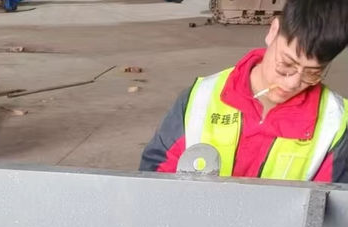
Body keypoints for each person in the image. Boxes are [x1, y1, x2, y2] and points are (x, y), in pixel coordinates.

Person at [140, 0, 348, 182]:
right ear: (273, 31)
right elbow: (156, 177)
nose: (292, 83)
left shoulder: (334, 123)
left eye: (312, 73)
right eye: (286, 64)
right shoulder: (201, 99)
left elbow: (333, 204)